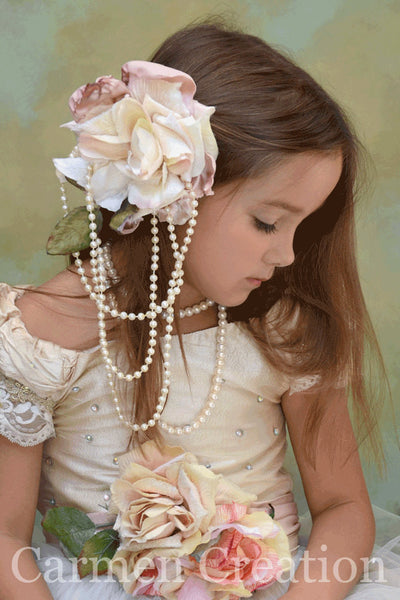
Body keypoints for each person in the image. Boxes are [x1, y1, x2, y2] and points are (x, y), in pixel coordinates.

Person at [0, 20, 399, 600]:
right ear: (179, 189)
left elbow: (342, 505)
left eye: (300, 227)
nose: (287, 254)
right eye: (267, 221)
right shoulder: (38, 337)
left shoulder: (283, 329)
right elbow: (5, 538)